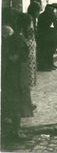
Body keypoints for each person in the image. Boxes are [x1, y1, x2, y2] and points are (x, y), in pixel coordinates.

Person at [1, 14, 35, 142]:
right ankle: (16, 131)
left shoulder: (15, 37)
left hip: (15, 73)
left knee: (15, 100)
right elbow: (15, 57)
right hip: (17, 74)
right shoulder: (18, 38)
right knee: (17, 100)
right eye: (30, 24)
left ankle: (15, 130)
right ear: (26, 25)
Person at [37, 4, 57, 71]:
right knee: (46, 51)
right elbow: (45, 25)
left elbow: (55, 24)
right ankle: (44, 66)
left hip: (52, 36)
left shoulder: (52, 15)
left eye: (52, 10)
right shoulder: (42, 16)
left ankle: (50, 64)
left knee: (51, 51)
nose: (51, 11)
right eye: (50, 10)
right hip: (45, 37)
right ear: (46, 9)